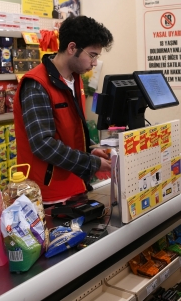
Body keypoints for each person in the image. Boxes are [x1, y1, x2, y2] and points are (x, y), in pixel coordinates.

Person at [14, 16, 113, 204]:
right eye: (92, 55)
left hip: (74, 186)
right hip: (46, 195)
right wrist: (91, 163)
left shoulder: (75, 80)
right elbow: (43, 145)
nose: (94, 63)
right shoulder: (36, 85)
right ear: (72, 48)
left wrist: (90, 152)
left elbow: (68, 132)